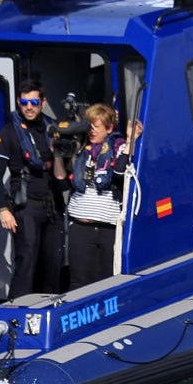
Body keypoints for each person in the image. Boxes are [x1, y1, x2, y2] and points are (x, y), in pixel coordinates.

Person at [0, 80, 64, 298]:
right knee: (26, 264)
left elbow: (63, 173)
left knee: (52, 265)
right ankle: (17, 313)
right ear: (18, 102)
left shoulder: (53, 129)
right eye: (24, 102)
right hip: (26, 208)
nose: (29, 107)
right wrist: (3, 208)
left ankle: (50, 310)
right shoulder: (8, 132)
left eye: (34, 102)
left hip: (52, 207)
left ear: (43, 102)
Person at [55, 103, 141, 291]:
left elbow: (119, 173)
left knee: (106, 282)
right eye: (89, 126)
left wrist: (130, 140)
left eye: (96, 126)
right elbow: (61, 178)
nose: (91, 131)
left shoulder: (119, 148)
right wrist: (57, 153)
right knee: (79, 282)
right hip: (81, 227)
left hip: (107, 227)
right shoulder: (81, 151)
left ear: (109, 128)